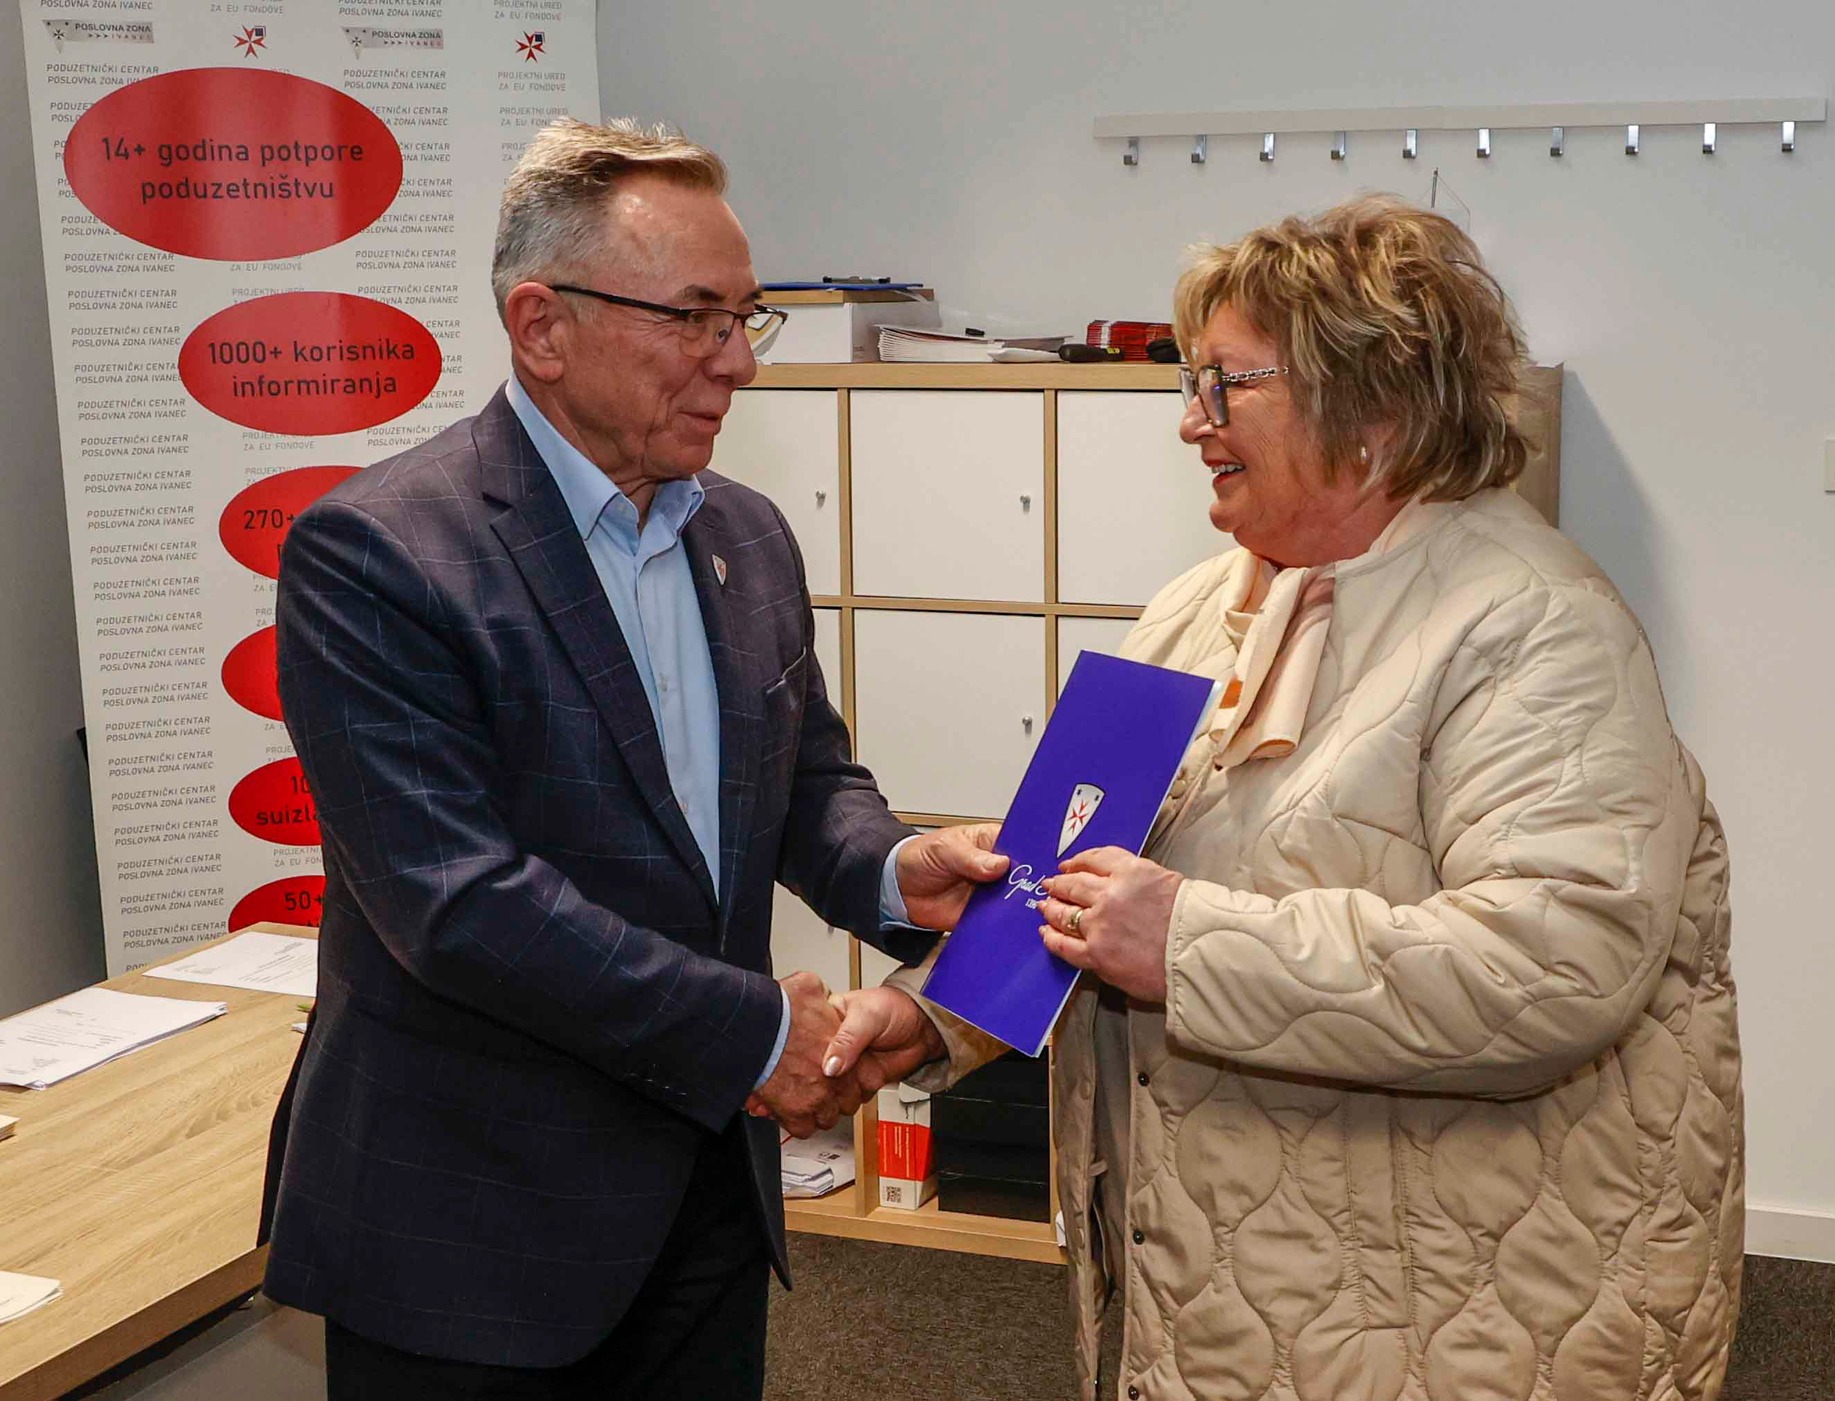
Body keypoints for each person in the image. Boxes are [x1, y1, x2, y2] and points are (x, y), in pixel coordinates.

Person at [833, 196, 1743, 1401]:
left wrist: (1188, 942)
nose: (1188, 422)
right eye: (1190, 383)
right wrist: (933, 1016)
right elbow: (1081, 887)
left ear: (1371, 407)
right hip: (1228, 1274)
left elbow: (1554, 965)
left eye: (1224, 385)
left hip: (1445, 1301)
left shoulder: (1534, 626)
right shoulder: (1200, 607)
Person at [260, 117, 1002, 1400]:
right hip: (474, 1230)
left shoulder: (745, 535)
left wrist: (893, 868)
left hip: (704, 1196)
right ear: (542, 327)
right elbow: (457, 902)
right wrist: (756, 1029)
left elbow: (802, 783)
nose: (738, 363)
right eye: (695, 318)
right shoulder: (378, 554)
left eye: (744, 319)